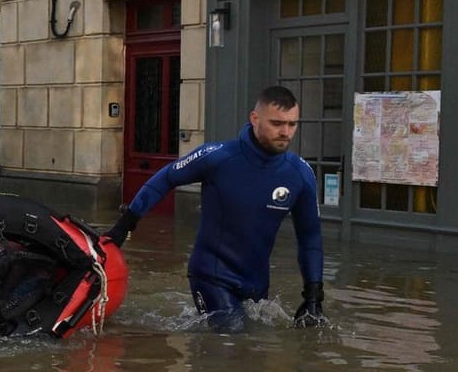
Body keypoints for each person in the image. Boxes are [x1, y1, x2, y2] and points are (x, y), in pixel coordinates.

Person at [104, 85, 326, 332]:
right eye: (277, 123)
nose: (286, 132)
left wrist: (313, 295)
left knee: (255, 351)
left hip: (256, 282)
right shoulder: (218, 157)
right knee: (230, 339)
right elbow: (166, 178)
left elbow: (310, 237)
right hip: (211, 274)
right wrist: (125, 225)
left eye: (292, 124)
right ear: (255, 119)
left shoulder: (300, 173)